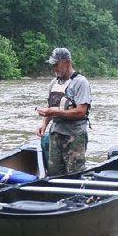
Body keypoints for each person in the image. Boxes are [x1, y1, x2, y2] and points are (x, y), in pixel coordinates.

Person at [35, 47, 92, 176]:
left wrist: (54, 112)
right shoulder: (53, 83)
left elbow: (81, 111)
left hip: (74, 136)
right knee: (54, 174)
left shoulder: (80, 82)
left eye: (57, 64)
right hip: (55, 135)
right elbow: (50, 107)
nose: (54, 68)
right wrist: (44, 124)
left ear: (67, 62)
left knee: (74, 174)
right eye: (52, 65)